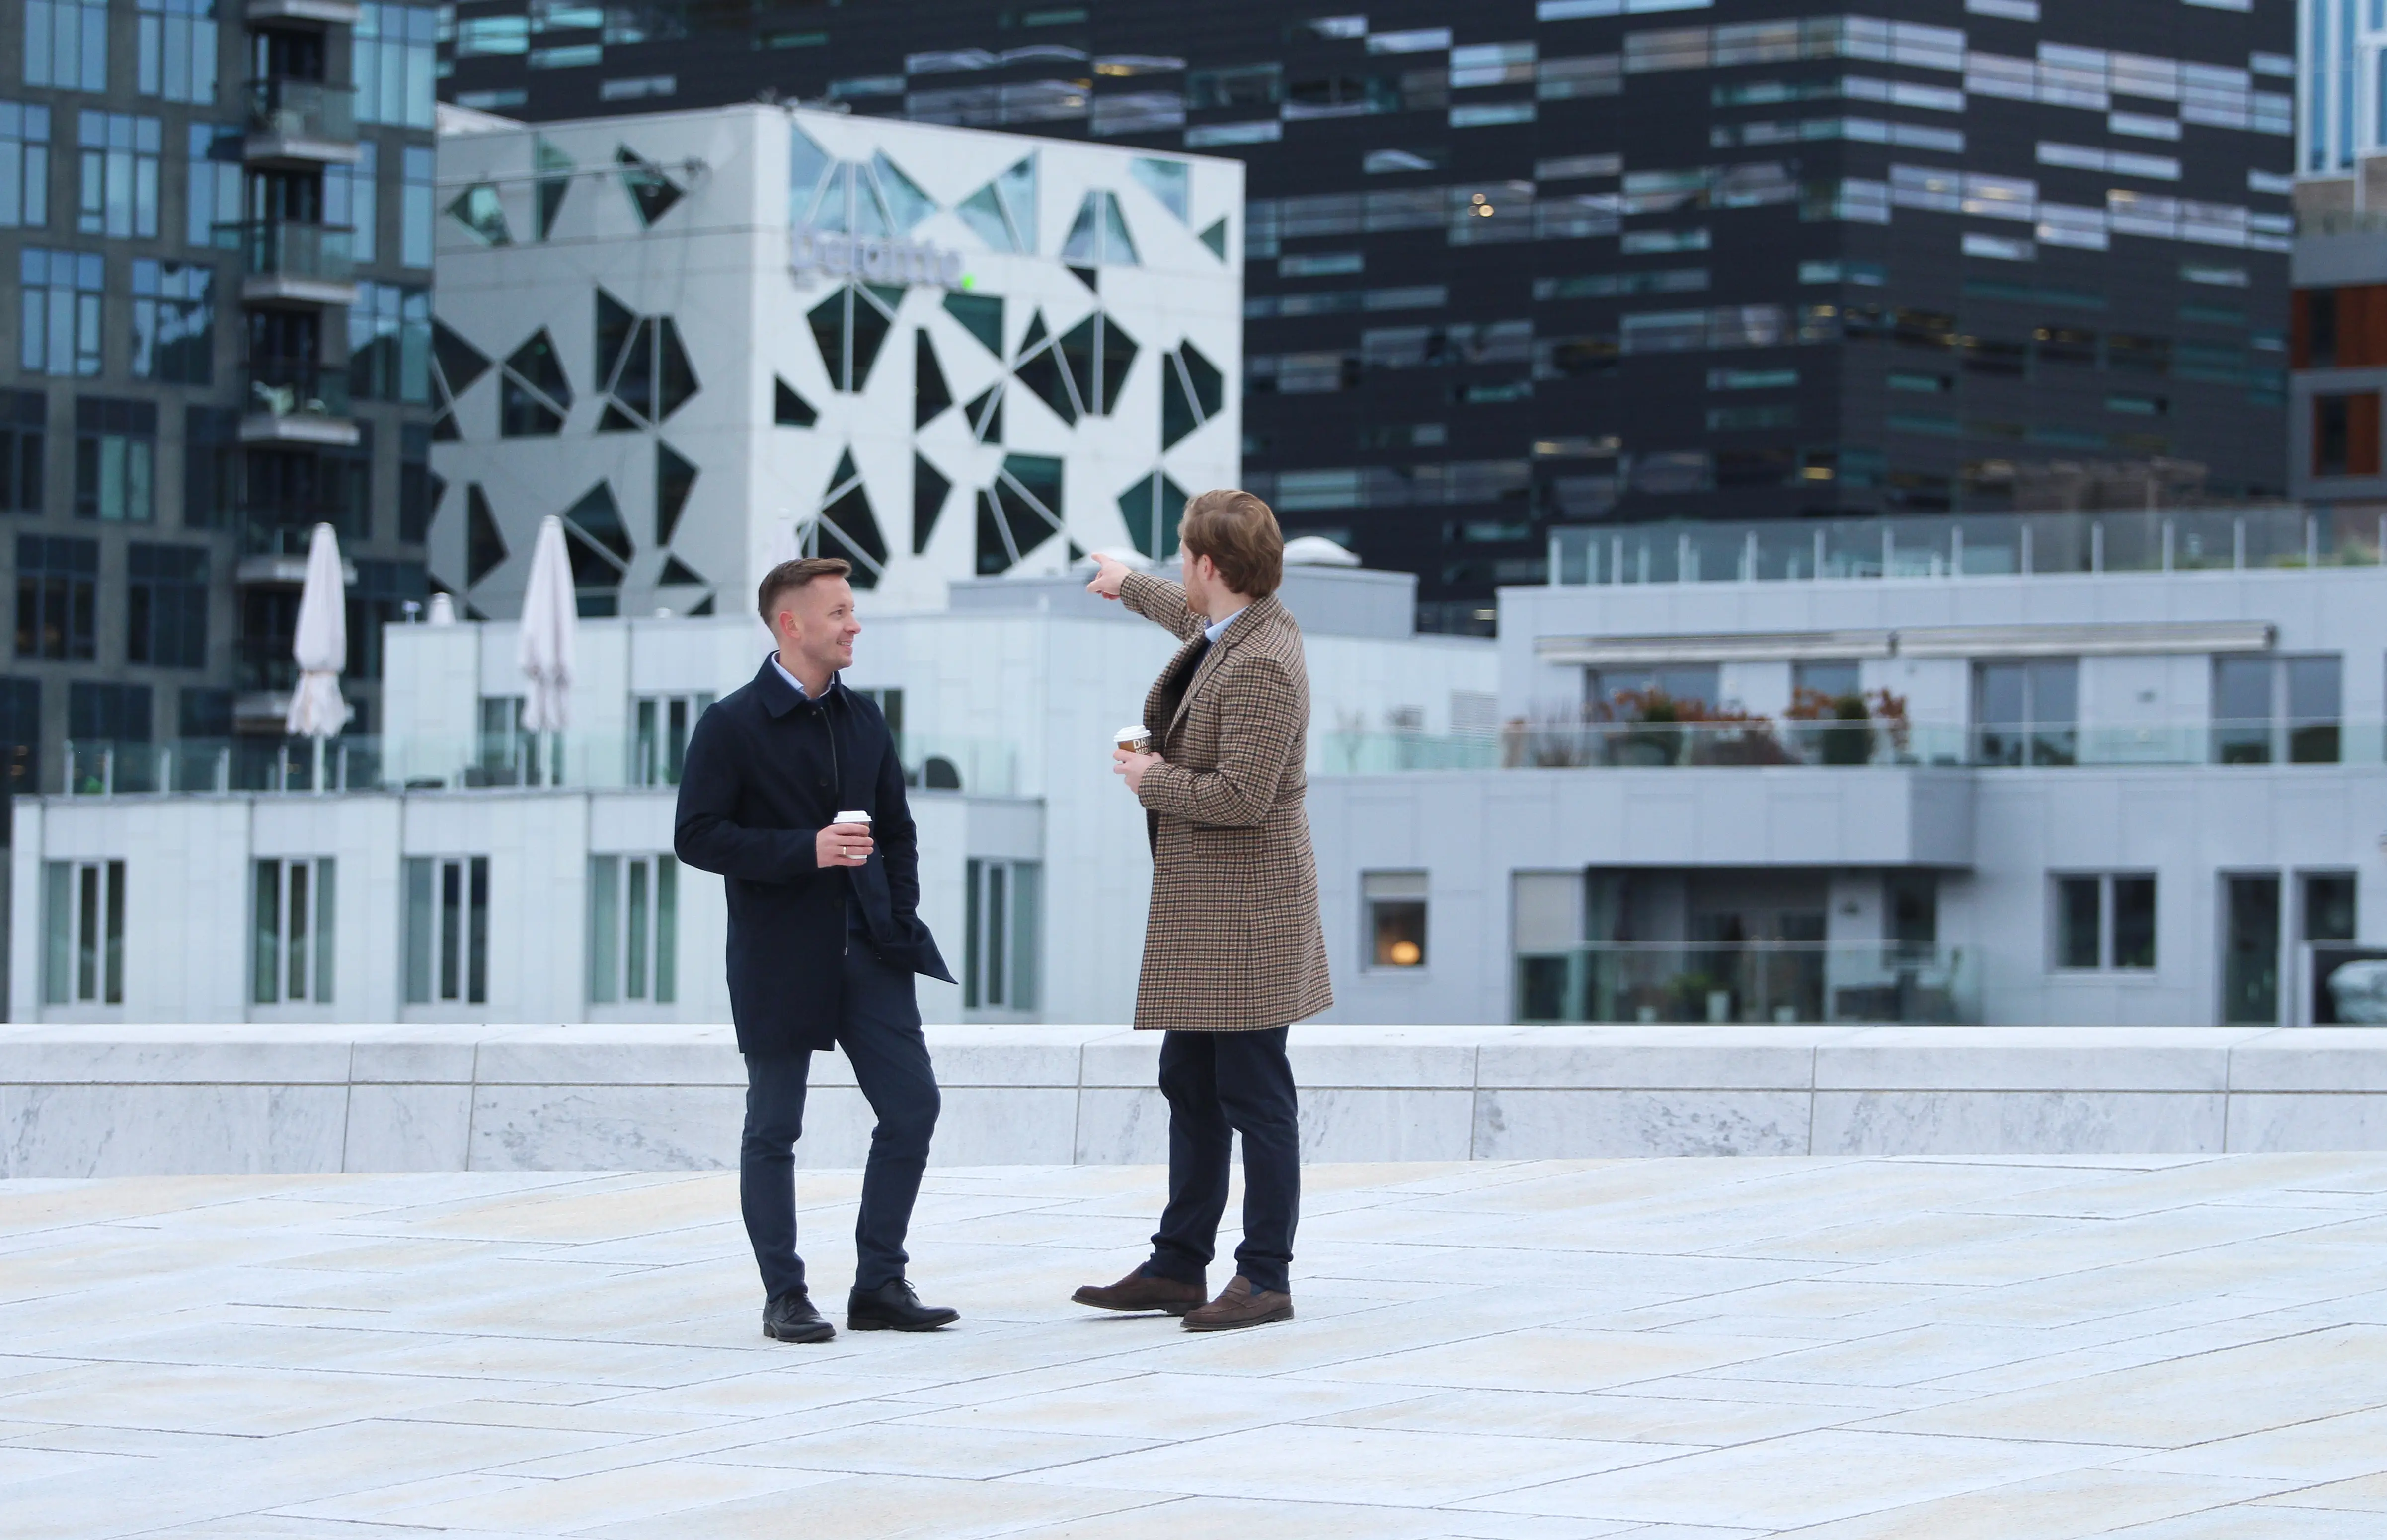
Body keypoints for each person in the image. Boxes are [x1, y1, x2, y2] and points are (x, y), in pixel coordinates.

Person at [675, 556, 960, 1343]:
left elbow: (897, 831)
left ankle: (879, 1283)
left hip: (869, 949)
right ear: (790, 624)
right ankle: (785, 1295)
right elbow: (695, 838)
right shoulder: (729, 725)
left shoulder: (865, 719)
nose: (854, 625)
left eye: (853, 611)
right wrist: (807, 850)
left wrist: (895, 917)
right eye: (838, 613)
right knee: (774, 1127)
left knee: (913, 1108)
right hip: (778, 957)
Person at [1071, 490, 1333, 1331]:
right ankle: (1180, 1265)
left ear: (1210, 567)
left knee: (1257, 1097)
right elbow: (1188, 623)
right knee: (1189, 1079)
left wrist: (1153, 782)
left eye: (1184, 558)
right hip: (1211, 916)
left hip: (1247, 920)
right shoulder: (1236, 628)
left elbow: (1245, 797)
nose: (1180, 569)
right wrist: (1125, 583)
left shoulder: (1260, 662)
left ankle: (1265, 1277)